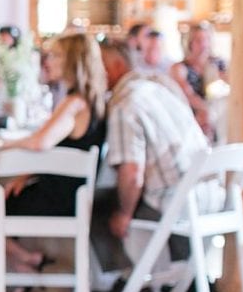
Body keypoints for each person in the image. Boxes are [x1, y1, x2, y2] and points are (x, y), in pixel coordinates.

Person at [0, 34, 109, 292]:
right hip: (64, 194)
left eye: (55, 55)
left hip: (56, 200)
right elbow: (64, 150)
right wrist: (26, 173)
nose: (48, 61)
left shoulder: (75, 103)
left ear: (72, 61)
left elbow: (41, 143)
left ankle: (27, 260)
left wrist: (1, 147)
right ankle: (25, 263)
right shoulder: (88, 101)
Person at [91, 40, 214, 270]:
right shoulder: (158, 87)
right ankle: (179, 275)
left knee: (95, 205)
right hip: (207, 195)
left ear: (116, 66)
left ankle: (127, 279)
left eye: (98, 67)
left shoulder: (126, 103)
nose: (94, 74)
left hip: (177, 204)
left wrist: (123, 214)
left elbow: (132, 174)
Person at [171, 20, 228, 132]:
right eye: (198, 40)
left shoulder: (219, 64)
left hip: (218, 117)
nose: (203, 45)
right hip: (192, 119)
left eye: (206, 39)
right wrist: (206, 111)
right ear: (190, 43)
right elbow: (187, 95)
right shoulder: (180, 68)